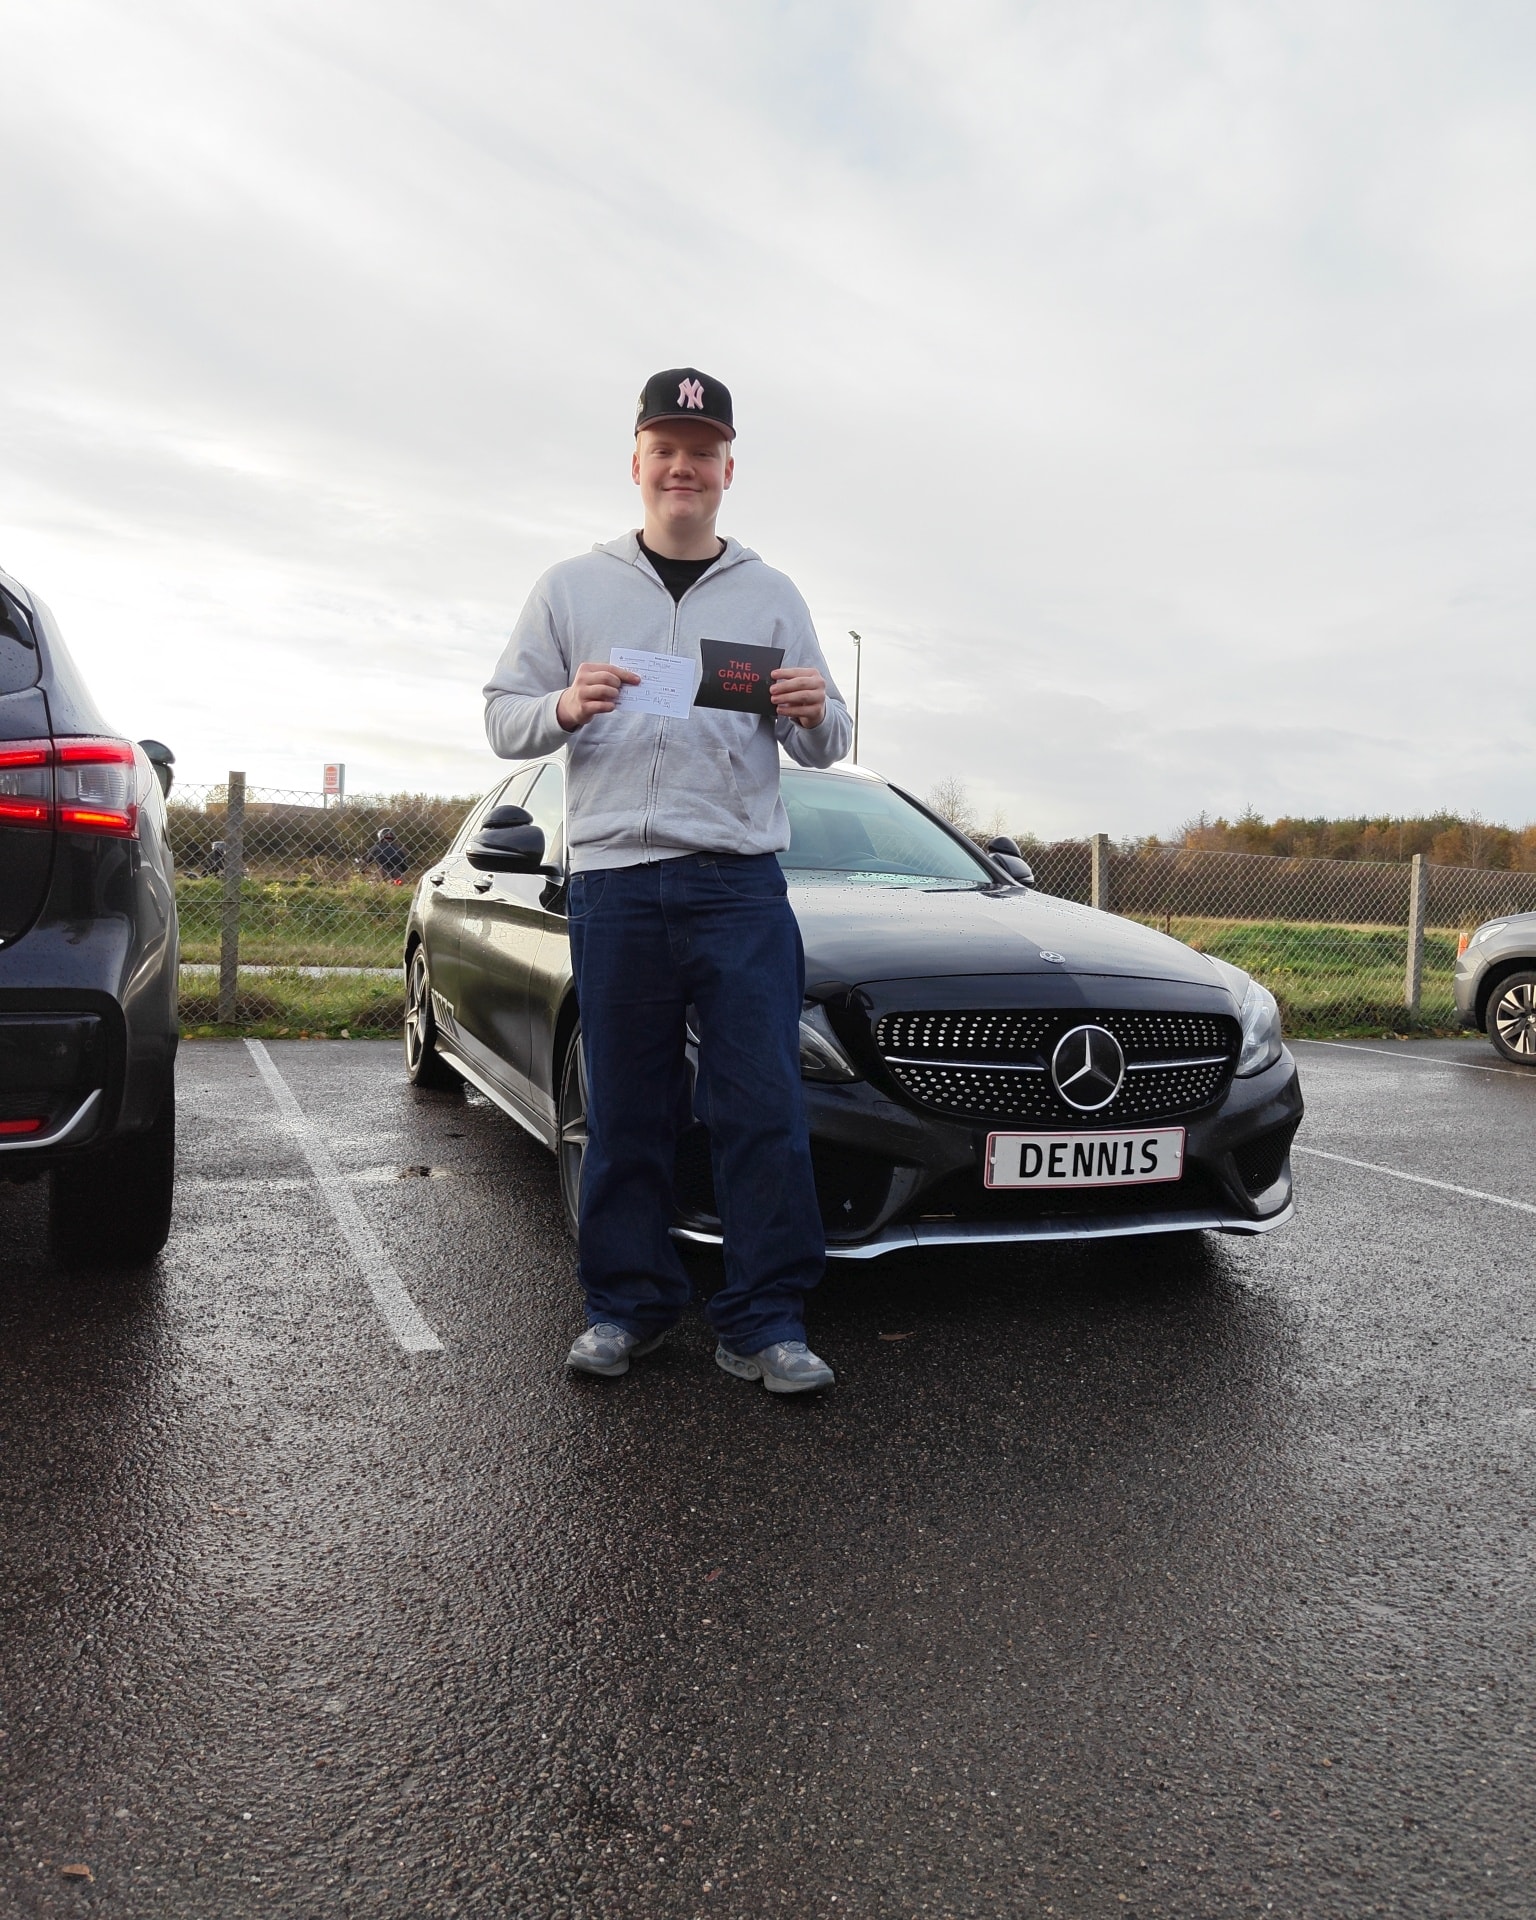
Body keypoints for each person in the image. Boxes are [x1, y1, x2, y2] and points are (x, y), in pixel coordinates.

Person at [483, 367, 852, 1393]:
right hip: (616, 883)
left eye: (702, 451)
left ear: (729, 468)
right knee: (627, 1108)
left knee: (761, 1108)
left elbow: (828, 740)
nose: (682, 467)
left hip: (740, 885)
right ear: (637, 462)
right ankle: (625, 1307)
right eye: (665, 449)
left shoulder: (772, 594)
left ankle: (766, 1321)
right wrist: (565, 706)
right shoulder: (572, 587)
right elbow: (503, 715)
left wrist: (812, 709)